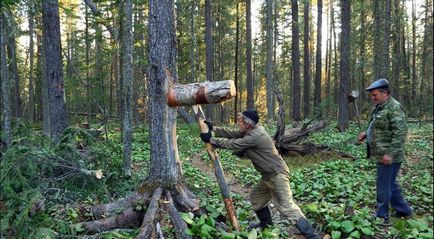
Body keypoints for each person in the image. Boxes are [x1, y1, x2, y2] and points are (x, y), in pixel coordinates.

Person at [199, 109, 320, 238]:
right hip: (268, 176)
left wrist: (212, 140)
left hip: (277, 175)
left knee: (287, 207)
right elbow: (233, 133)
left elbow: (234, 144)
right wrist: (214, 128)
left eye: (240, 121)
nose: (238, 123)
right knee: (257, 198)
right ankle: (266, 225)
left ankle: (312, 236)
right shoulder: (250, 130)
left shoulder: (256, 136)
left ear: (248, 124)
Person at [358, 78, 413, 224]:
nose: (372, 97)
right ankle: (404, 210)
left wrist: (390, 154)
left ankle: (382, 217)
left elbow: (400, 134)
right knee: (390, 184)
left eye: (375, 95)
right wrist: (366, 133)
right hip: (381, 153)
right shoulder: (380, 107)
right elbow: (376, 125)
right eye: (372, 95)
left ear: (385, 93)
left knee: (383, 186)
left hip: (388, 155)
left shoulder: (394, 108)